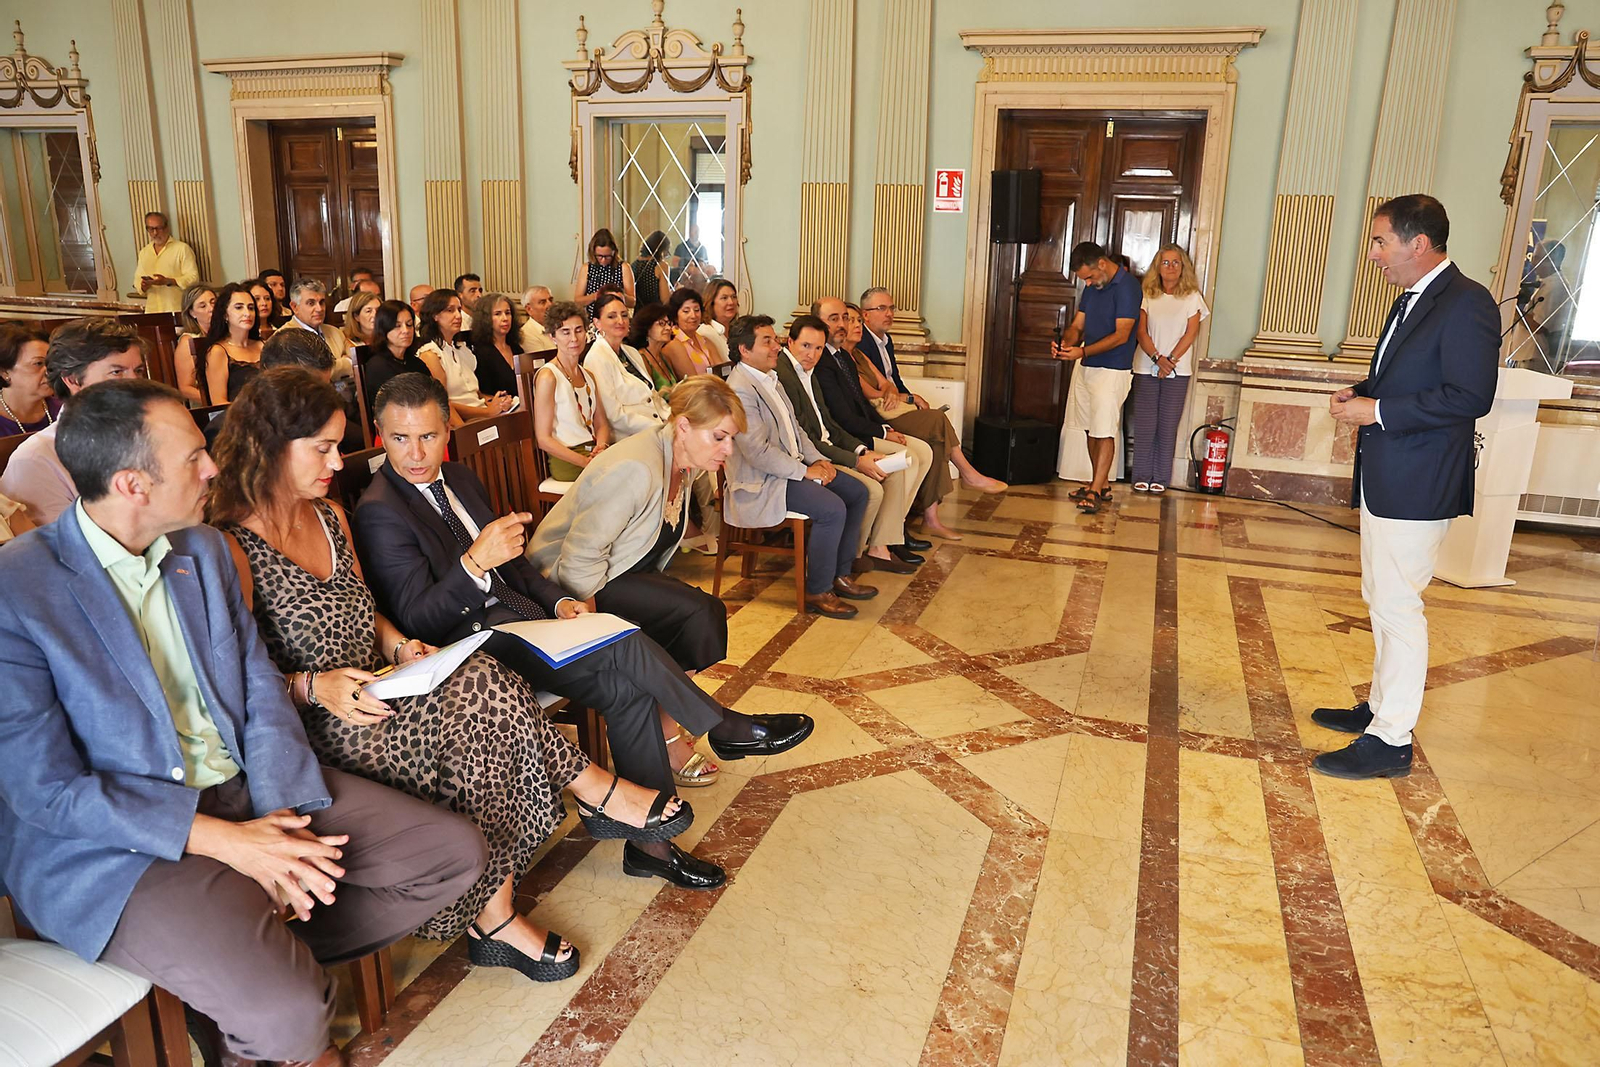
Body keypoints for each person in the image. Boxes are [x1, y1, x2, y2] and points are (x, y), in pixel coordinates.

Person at [0, 378, 487, 1067]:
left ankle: (241, 977)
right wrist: (233, 844)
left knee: (451, 855)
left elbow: (259, 693)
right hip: (122, 846)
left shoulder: (199, 551)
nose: (213, 467)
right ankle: (268, 1004)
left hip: (241, 787)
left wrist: (278, 819)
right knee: (294, 1018)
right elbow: (46, 792)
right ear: (133, 483)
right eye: (195, 457)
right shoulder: (18, 589)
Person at [210, 368, 690, 983]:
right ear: (271, 447)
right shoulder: (229, 545)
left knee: (483, 682)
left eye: (337, 444)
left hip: (382, 683)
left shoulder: (328, 515)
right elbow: (230, 681)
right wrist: (313, 685)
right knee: (483, 716)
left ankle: (500, 911)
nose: (338, 460)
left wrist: (401, 643)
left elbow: (365, 604)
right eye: (323, 448)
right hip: (322, 722)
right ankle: (584, 806)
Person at [352, 372, 816, 889]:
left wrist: (561, 601)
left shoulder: (458, 478)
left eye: (428, 436)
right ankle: (720, 726)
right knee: (622, 639)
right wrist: (472, 565)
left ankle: (650, 846)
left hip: (524, 620)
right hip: (475, 648)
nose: (416, 453)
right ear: (379, 433)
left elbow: (518, 569)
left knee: (628, 691)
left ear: (447, 431)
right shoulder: (380, 511)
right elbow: (417, 618)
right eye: (400, 438)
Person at [1313, 195, 1499, 781]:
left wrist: (1379, 411)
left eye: (1379, 242)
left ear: (1418, 244)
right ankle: (1377, 708)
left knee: (1399, 606)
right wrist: (1361, 392)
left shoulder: (1467, 302)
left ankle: (1392, 739)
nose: (1373, 255)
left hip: (1420, 477)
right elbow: (1404, 376)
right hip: (1389, 473)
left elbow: (1470, 396)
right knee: (1382, 597)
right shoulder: (1409, 298)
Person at [526, 376, 745, 787]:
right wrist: (591, 631)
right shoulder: (635, 468)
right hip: (566, 584)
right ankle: (670, 739)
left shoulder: (683, 464)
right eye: (719, 437)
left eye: (730, 438)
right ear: (682, 426)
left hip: (619, 572)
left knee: (700, 615)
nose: (728, 449)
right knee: (698, 613)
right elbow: (579, 558)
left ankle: (667, 732)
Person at [724, 314, 877, 618]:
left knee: (857, 492)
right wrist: (805, 471)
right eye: (767, 341)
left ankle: (840, 573)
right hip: (762, 480)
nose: (776, 347)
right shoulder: (740, 388)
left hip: (789, 469)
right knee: (832, 509)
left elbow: (797, 430)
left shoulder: (770, 378)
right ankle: (818, 590)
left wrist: (817, 459)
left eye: (775, 339)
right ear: (745, 349)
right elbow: (756, 452)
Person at [813, 296, 1001, 541]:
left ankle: (903, 528)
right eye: (838, 319)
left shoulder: (852, 354)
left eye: (847, 319)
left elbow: (889, 385)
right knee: (931, 428)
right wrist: (891, 420)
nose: (849, 325)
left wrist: (891, 417)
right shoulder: (835, 357)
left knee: (930, 446)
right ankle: (889, 534)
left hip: (877, 418)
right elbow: (866, 401)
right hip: (862, 426)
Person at [778, 315, 928, 574]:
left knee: (892, 471)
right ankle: (850, 557)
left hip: (833, 445)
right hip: (812, 458)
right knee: (870, 489)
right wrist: (857, 459)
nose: (812, 354)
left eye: (817, 348)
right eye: (805, 346)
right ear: (790, 342)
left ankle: (880, 546)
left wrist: (862, 450)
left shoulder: (809, 371)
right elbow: (809, 439)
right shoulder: (785, 375)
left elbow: (829, 426)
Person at [0, 319, 146, 526]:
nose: (135, 385)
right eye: (117, 372)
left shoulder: (152, 433)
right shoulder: (37, 459)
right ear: (72, 380)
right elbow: (61, 550)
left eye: (138, 371)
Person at [1051, 242, 1140, 514]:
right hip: (1087, 365)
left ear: (1101, 264)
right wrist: (1065, 344)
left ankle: (1095, 491)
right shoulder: (1093, 288)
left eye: (1089, 277)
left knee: (1104, 430)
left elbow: (1122, 335)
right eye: (1083, 280)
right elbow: (1077, 325)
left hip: (1113, 369)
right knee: (1091, 428)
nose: (1087, 283)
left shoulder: (1128, 287)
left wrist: (1083, 350)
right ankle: (1098, 484)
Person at [1131, 245, 1206, 493]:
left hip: (1178, 369)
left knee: (1167, 424)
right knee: (1145, 423)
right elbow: (1141, 331)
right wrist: (1156, 358)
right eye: (1166, 262)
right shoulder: (1147, 293)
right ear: (1157, 267)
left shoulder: (1192, 296)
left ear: (1183, 267)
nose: (1171, 267)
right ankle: (1141, 474)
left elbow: (1191, 332)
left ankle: (1160, 477)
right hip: (1146, 366)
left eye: (1176, 262)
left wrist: (1170, 360)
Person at [533, 301, 611, 482]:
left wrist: (601, 447)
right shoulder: (548, 376)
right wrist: (586, 462)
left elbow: (602, 424)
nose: (574, 339)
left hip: (592, 451)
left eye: (578, 330)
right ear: (552, 337)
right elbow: (543, 439)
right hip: (567, 457)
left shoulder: (588, 374)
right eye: (565, 332)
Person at [415, 288, 514, 425]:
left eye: (459, 310)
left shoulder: (462, 350)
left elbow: (475, 394)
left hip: (481, 413)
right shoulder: (431, 354)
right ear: (435, 316)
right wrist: (487, 413)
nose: (458, 316)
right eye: (450, 310)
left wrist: (496, 401)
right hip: (461, 422)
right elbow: (443, 404)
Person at [584, 291, 670, 439]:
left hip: (658, 426)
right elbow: (614, 416)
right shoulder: (596, 358)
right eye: (612, 316)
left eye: (624, 315)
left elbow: (653, 395)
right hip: (630, 436)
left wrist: (671, 417)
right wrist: (659, 428)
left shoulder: (631, 352)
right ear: (597, 323)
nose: (620, 321)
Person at [354, 300, 432, 424]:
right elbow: (396, 409)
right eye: (397, 326)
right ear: (384, 329)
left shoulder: (415, 362)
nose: (406, 330)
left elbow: (434, 394)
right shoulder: (378, 366)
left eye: (409, 324)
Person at [857, 287, 926, 407]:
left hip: (897, 401)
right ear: (865, 315)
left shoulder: (887, 341)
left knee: (932, 415)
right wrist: (910, 399)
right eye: (881, 308)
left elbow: (896, 381)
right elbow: (873, 390)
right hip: (881, 405)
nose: (889, 314)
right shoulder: (860, 343)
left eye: (891, 308)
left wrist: (913, 404)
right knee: (935, 420)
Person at [202, 282, 264, 405]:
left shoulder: (264, 345)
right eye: (239, 307)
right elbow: (218, 402)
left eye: (251, 308)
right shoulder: (218, 351)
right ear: (225, 314)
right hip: (235, 417)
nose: (247, 313)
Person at [285, 278, 352, 382]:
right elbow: (312, 375)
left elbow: (357, 359)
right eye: (311, 303)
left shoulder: (335, 332)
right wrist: (346, 363)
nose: (319, 309)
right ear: (294, 307)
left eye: (321, 302)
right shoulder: (285, 337)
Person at [133, 212, 199, 314]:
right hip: (152, 311)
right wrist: (143, 286)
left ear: (166, 227)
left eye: (158, 228)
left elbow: (193, 278)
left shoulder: (182, 249)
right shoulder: (144, 252)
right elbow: (137, 279)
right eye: (151, 229)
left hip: (176, 310)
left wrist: (168, 281)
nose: (155, 233)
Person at [0, 323, 59, 435]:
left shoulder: (65, 411)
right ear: (4, 372)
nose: (50, 370)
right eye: (38, 363)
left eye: (52, 362)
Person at [466, 292, 522, 399]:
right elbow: (482, 393)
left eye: (508, 313)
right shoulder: (480, 353)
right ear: (485, 319)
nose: (505, 318)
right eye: (497, 314)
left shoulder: (516, 348)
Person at [172, 284, 217, 405]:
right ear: (192, 313)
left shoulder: (227, 335)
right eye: (203, 306)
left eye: (214, 302)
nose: (211, 308)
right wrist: (215, 402)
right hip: (207, 405)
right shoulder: (188, 341)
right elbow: (185, 389)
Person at [574, 228, 633, 319]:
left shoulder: (623, 267)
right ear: (593, 253)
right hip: (593, 320)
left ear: (614, 253)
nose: (603, 260)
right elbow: (578, 301)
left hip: (616, 319)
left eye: (607, 256)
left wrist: (619, 296)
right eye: (600, 256)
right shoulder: (587, 268)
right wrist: (595, 296)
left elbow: (632, 302)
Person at [623, 302, 680, 391]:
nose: (668, 328)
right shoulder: (641, 359)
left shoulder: (663, 356)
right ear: (647, 327)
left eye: (669, 323)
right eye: (661, 323)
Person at [662, 288, 718, 378]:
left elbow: (724, 370)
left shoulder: (705, 340)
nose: (693, 316)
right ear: (675, 316)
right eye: (686, 311)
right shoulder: (673, 343)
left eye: (696, 310)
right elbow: (692, 381)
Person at [700, 276, 738, 362]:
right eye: (724, 298)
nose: (731, 302)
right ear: (711, 303)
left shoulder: (737, 330)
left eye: (734, 297)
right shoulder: (704, 333)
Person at [633, 231, 671, 309]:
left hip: (638, 315)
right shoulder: (661, 266)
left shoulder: (634, 264)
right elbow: (665, 300)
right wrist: (675, 292)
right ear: (662, 250)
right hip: (655, 314)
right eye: (667, 251)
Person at [520, 286, 556, 353]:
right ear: (529, 309)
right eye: (542, 302)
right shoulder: (527, 335)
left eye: (550, 300)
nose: (550, 305)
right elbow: (542, 361)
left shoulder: (559, 326)